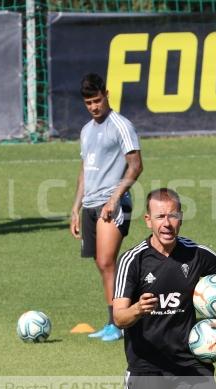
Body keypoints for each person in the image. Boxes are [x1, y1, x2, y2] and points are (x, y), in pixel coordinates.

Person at [113, 188, 216, 389]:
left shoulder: (197, 254)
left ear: (181, 219)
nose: (167, 223)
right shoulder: (132, 261)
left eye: (173, 215)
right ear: (148, 221)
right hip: (147, 370)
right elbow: (119, 317)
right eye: (160, 216)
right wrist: (137, 309)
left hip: (192, 368)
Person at [70, 73, 143, 341]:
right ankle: (115, 321)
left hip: (112, 204)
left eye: (97, 100)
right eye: (88, 103)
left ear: (107, 94)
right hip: (89, 205)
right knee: (102, 266)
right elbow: (84, 171)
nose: (94, 107)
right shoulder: (86, 130)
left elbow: (136, 165)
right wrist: (75, 209)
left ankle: (120, 322)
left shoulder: (121, 125)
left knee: (107, 261)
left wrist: (114, 198)